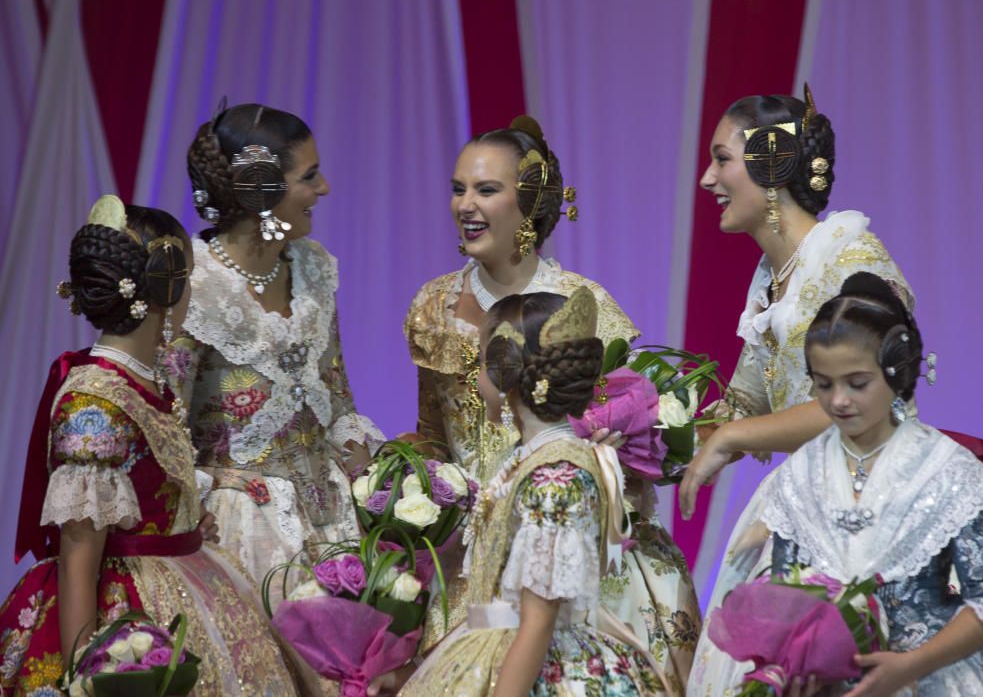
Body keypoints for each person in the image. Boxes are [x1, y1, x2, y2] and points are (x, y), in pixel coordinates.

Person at [404, 116, 698, 686]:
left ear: (531, 201)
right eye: (458, 188)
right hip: (475, 552)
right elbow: (432, 433)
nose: (466, 204)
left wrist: (611, 459)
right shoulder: (432, 305)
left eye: (486, 189)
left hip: (568, 538)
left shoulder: (583, 307)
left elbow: (634, 438)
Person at [0, 196, 299, 695]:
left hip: (188, 576)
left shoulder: (143, 382)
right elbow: (79, 560)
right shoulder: (93, 403)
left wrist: (183, 515)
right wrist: (87, 676)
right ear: (165, 288)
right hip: (128, 611)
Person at [676, 87, 913, 694]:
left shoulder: (851, 263)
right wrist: (636, 441)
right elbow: (745, 404)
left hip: (868, 508)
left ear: (772, 168)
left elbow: (861, 408)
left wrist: (731, 436)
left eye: (721, 158)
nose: (707, 179)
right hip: (798, 501)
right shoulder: (773, 279)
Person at [401, 288, 664, 695]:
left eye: (482, 362)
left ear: (504, 371)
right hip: (490, 645)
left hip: (535, 663)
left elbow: (538, 620)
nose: (477, 377)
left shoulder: (555, 476)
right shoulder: (530, 462)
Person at [171, 103, 384, 596]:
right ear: (261, 191)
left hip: (331, 518)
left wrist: (382, 487)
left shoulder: (312, 267)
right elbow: (167, 427)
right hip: (238, 531)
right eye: (309, 176)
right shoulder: (192, 283)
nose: (324, 188)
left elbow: (337, 401)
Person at [758, 272, 983, 695]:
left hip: (930, 678)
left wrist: (909, 665)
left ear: (895, 373)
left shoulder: (948, 470)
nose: (838, 401)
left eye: (857, 383)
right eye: (823, 385)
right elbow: (785, 595)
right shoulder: (799, 474)